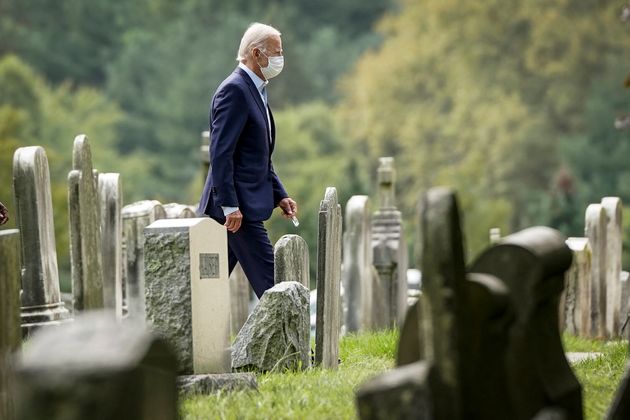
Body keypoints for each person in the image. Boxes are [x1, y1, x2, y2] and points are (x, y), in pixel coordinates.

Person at [198, 22, 297, 299]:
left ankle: (180, 341)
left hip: (242, 208)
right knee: (274, 285)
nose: (280, 58)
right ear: (256, 53)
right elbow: (221, 153)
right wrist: (230, 206)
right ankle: (298, 345)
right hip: (237, 213)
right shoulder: (235, 90)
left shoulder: (256, 90)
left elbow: (257, 154)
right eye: (277, 52)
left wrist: (279, 194)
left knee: (204, 291)